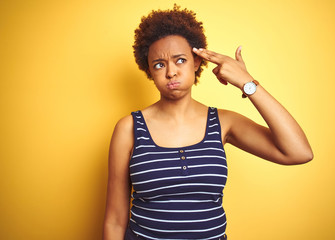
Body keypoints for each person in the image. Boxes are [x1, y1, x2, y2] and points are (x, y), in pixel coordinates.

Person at [103, 5, 313, 240]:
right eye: (159, 65)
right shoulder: (129, 128)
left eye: (180, 60)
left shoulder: (224, 122)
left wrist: (247, 83)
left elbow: (299, 152)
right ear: (150, 71)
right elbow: (114, 220)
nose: (171, 72)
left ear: (196, 62)